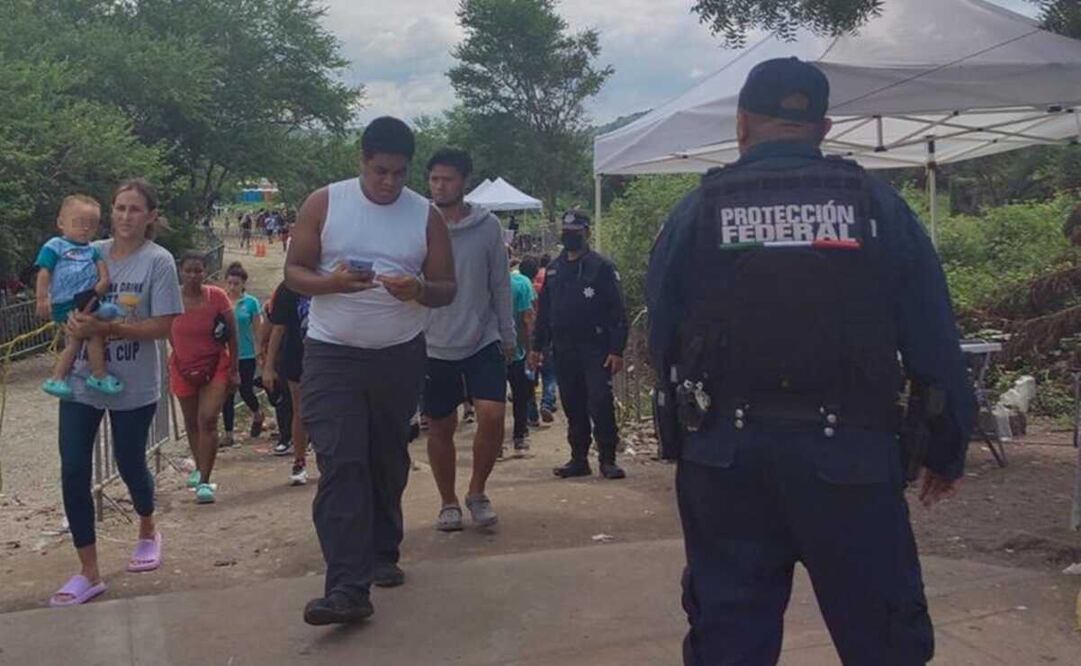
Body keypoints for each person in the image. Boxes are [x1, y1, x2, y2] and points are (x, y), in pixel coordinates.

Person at [646, 57, 977, 666]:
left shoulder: (696, 212)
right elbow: (933, 336)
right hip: (851, 456)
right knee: (884, 639)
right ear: (823, 129)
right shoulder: (879, 206)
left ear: (742, 123)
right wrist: (947, 446)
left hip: (727, 458)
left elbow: (660, 336)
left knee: (729, 638)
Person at [286, 116, 456, 626]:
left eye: (400, 173)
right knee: (341, 462)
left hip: (399, 354)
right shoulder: (325, 202)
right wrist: (332, 282)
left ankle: (384, 547)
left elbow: (448, 286)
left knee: (386, 458)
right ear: (361, 160)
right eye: (380, 171)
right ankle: (346, 587)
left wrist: (419, 290)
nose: (389, 182)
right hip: (332, 352)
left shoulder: (425, 217)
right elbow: (295, 274)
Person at [49, 179, 183, 607]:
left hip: (133, 384)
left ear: (150, 217)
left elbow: (163, 326)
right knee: (73, 468)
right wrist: (69, 322)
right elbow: (66, 297)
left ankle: (147, 526)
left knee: (128, 462)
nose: (125, 217)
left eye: (135, 209)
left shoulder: (158, 262)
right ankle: (89, 571)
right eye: (120, 208)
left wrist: (108, 328)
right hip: (82, 382)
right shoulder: (90, 250)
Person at [422, 148, 515, 532]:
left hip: (482, 337)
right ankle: (448, 501)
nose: (440, 186)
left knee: (493, 414)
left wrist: (508, 334)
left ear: (464, 182)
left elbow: (500, 282)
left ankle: (477, 491)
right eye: (434, 179)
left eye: (447, 179)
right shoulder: (419, 223)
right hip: (433, 343)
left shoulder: (487, 226)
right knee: (441, 426)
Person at [529, 211, 628, 480]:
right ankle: (579, 458)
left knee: (600, 401)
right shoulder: (554, 269)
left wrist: (617, 349)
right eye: (567, 230)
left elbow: (617, 311)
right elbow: (545, 311)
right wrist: (537, 348)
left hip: (596, 348)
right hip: (563, 348)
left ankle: (607, 458)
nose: (570, 235)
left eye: (576, 231)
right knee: (573, 404)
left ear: (587, 233)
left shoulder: (602, 267)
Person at [35, 195, 123, 399]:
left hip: (88, 299)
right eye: (79, 223)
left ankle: (77, 376)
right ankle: (71, 377)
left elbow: (103, 273)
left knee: (92, 329)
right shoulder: (55, 245)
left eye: (91, 225)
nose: (85, 229)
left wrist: (101, 285)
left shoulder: (92, 249)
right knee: (82, 338)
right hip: (66, 303)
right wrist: (42, 298)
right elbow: (44, 272)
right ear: (61, 222)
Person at [170, 252, 238, 505]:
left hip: (215, 364)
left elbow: (232, 334)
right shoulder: (170, 297)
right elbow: (167, 330)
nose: (193, 275)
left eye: (198, 270)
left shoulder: (217, 297)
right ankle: (200, 466)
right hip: (183, 366)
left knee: (207, 418)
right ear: (180, 271)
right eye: (188, 270)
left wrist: (234, 369)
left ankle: (205, 481)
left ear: (205, 271)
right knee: (191, 422)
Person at [263, 281, 312, 485]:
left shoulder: (333, 277)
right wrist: (268, 365)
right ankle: (299, 461)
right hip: (296, 355)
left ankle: (331, 459)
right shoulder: (289, 287)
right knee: (300, 410)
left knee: (330, 410)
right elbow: (278, 328)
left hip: (330, 355)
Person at [221, 262, 265, 447]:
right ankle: (229, 433)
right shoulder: (222, 301)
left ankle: (257, 413)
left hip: (246, 354)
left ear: (243, 284)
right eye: (229, 283)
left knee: (245, 389)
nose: (232, 287)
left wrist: (260, 352)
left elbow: (258, 329)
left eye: (236, 283)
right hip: (226, 354)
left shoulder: (251, 303)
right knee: (227, 395)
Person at [509, 256, 538, 446]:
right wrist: (530, 350)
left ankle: (491, 441)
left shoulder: (480, 283)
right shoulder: (521, 283)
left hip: (486, 351)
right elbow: (527, 319)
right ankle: (519, 435)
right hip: (516, 350)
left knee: (489, 400)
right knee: (520, 394)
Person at [534, 254, 559, 423]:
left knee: (530, 376)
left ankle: (530, 414)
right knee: (550, 374)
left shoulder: (532, 282)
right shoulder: (556, 276)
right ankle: (547, 402)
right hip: (550, 334)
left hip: (533, 334)